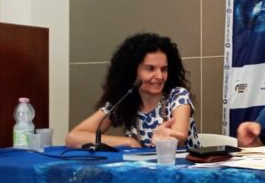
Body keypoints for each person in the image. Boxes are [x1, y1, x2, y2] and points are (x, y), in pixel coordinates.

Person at [65, 33, 201, 149]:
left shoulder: (177, 95)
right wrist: (127, 142)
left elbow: (180, 138)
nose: (159, 76)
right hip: (142, 171)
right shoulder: (124, 99)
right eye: (150, 69)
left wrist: (164, 139)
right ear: (132, 71)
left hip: (184, 170)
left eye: (164, 69)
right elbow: (73, 137)